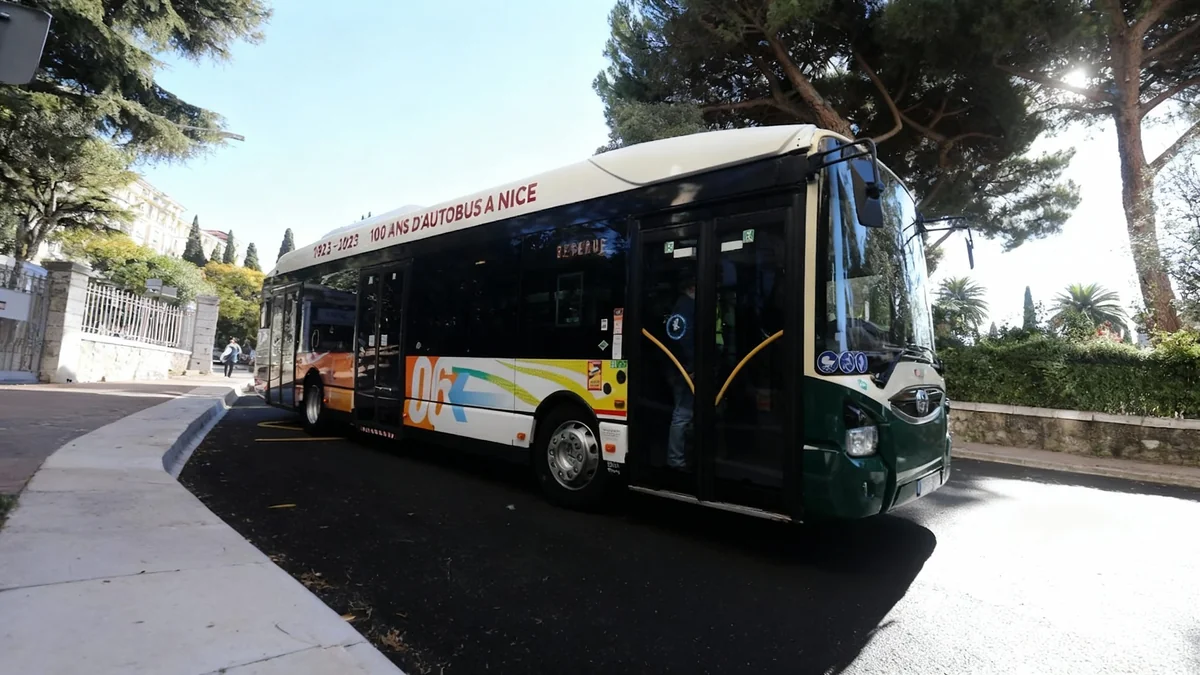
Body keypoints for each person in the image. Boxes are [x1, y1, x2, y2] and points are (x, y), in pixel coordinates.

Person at [664, 278, 696, 470]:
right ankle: (676, 460)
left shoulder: (682, 305)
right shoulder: (686, 306)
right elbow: (683, 338)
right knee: (682, 413)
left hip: (680, 368)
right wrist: (691, 368)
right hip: (684, 370)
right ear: (691, 287)